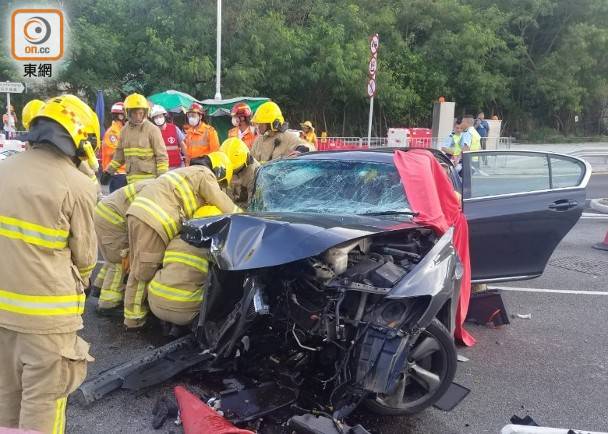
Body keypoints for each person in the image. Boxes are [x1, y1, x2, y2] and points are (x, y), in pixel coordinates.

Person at [0, 95, 97, 433]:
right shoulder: (79, 185)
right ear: (80, 139)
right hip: (48, 323)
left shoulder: (4, 168)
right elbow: (85, 259)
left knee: (7, 400)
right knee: (42, 406)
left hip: (2, 314)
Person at [123, 152, 240, 328]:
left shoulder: (186, 173)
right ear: (220, 171)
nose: (220, 187)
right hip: (154, 219)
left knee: (139, 263)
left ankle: (139, 310)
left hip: (139, 213)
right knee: (143, 270)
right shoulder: (204, 174)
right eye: (222, 183)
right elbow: (222, 202)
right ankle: (134, 320)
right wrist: (244, 218)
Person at [148, 205, 222, 328]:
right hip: (186, 313)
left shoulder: (175, 240)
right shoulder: (213, 251)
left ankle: (169, 325)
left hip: (155, 304)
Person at [93, 180, 153, 313]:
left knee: (112, 257)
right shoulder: (158, 193)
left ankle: (98, 288)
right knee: (119, 261)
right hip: (113, 218)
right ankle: (108, 304)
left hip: (106, 213)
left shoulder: (156, 185)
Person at [102, 93, 168, 185]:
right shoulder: (124, 131)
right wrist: (109, 172)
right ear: (127, 112)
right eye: (134, 113)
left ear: (145, 112)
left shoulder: (152, 130)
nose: (137, 116)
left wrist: (162, 178)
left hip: (150, 182)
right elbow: (119, 156)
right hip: (131, 182)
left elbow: (162, 156)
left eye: (140, 113)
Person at [220, 137, 261, 209]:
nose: (231, 172)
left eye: (235, 169)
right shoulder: (222, 166)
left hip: (247, 208)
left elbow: (255, 204)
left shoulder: (254, 172)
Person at [150, 105, 187, 169]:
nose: (158, 119)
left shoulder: (174, 128)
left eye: (160, 116)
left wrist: (187, 160)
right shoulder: (152, 132)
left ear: (164, 116)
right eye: (156, 117)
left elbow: (183, 145)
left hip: (178, 166)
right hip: (162, 168)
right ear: (153, 120)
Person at [102, 102, 127, 192]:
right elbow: (115, 153)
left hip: (124, 173)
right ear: (120, 116)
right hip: (117, 174)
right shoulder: (112, 133)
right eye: (126, 115)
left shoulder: (122, 131)